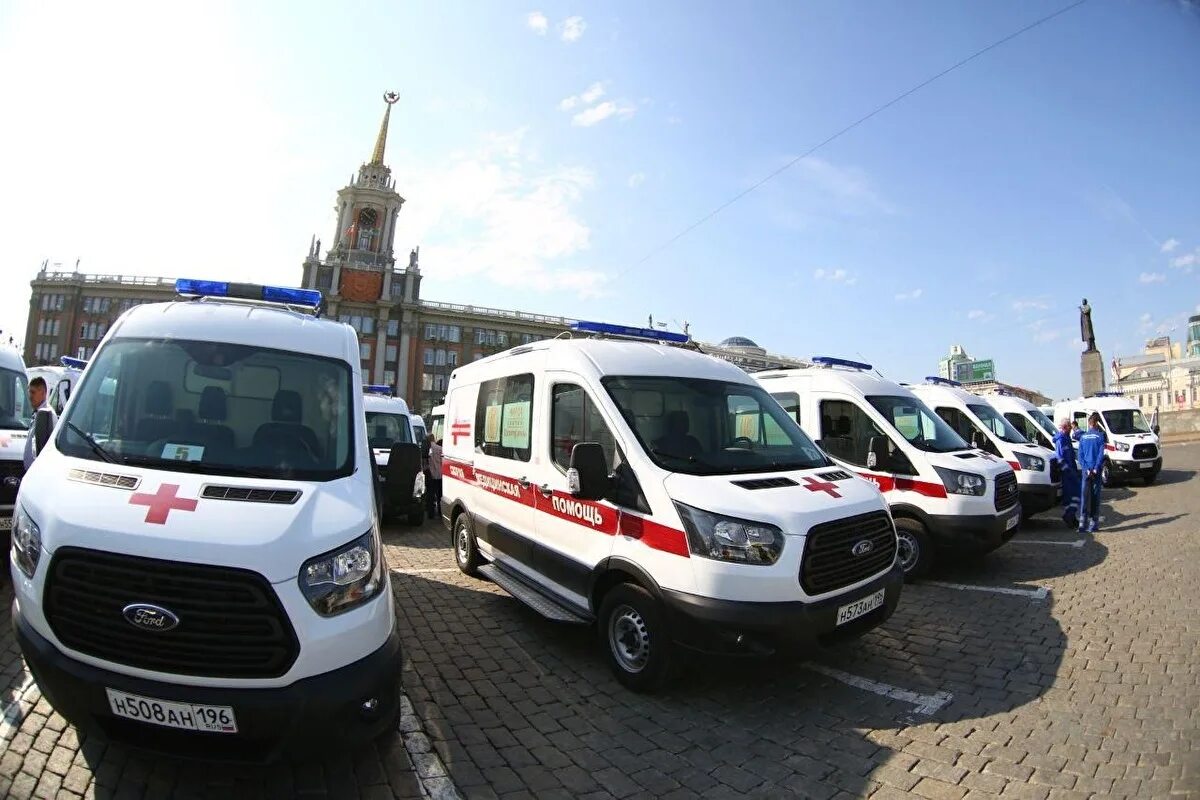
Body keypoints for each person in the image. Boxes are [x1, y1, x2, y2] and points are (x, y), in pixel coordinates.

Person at [1076, 412, 1106, 534]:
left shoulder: (1083, 437)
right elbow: (1100, 455)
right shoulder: (1100, 436)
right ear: (1097, 423)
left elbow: (1080, 455)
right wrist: (1095, 468)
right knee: (1095, 496)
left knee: (1084, 496)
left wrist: (1087, 468)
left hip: (1085, 471)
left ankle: (1082, 525)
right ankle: (1094, 524)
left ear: (1089, 423)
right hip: (1096, 471)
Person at [24, 377, 58, 471]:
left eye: (33, 392)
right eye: (29, 392)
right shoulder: (38, 412)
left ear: (43, 393)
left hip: (38, 471)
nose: (30, 396)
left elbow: (45, 447)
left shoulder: (47, 414)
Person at [1054, 419, 1080, 528]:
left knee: (1075, 495)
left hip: (1071, 471)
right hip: (1067, 474)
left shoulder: (1066, 438)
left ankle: (1071, 516)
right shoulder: (1061, 440)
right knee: (1073, 495)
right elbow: (1060, 459)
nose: (1071, 428)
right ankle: (1069, 516)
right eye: (1069, 426)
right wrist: (1068, 471)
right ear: (1065, 427)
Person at [425, 436, 443, 520]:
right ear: (434, 439)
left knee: (430, 495)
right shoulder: (440, 448)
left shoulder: (427, 449)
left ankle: (431, 514)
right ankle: (440, 512)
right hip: (440, 475)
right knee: (440, 495)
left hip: (431, 476)